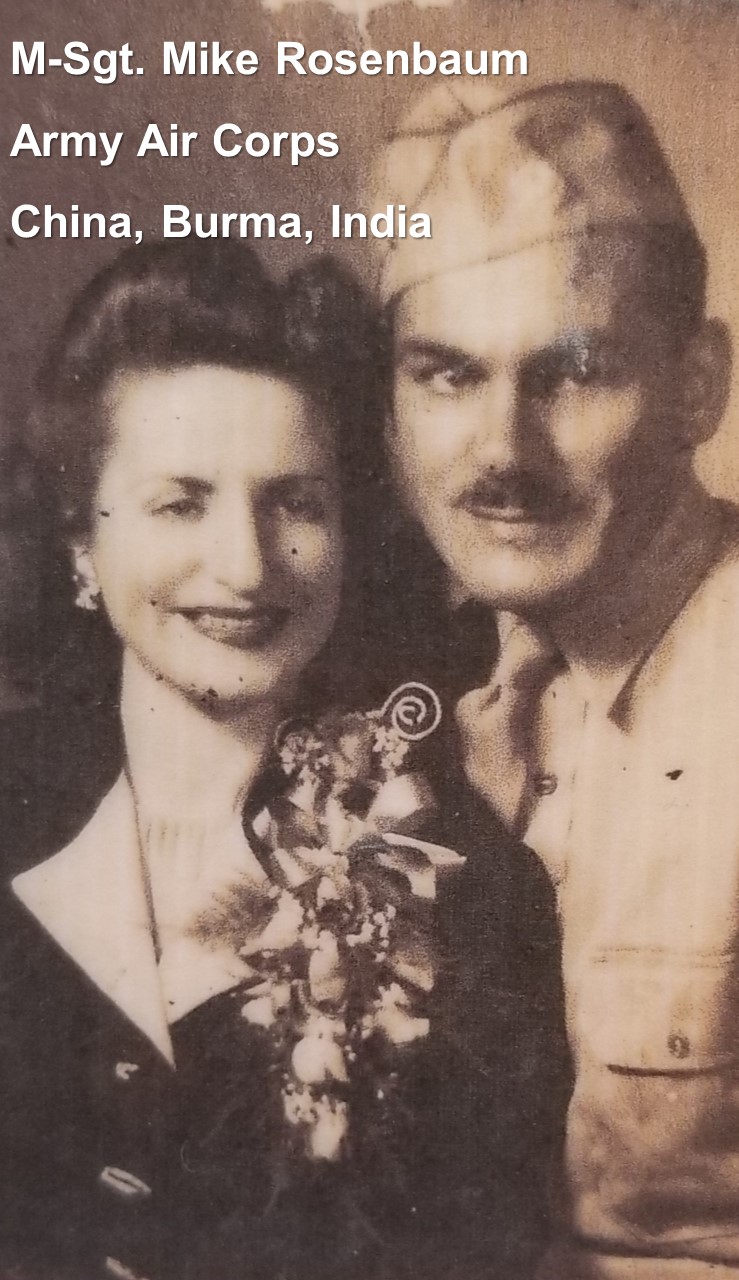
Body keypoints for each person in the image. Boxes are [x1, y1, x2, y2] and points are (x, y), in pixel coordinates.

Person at [0, 239, 568, 1280]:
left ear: (353, 533)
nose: (247, 564)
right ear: (82, 539)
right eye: (180, 502)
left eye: (296, 503)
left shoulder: (472, 894)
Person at [373, 79, 739, 1278]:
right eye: (445, 373)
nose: (498, 452)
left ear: (697, 385)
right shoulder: (422, 684)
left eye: (571, 372)